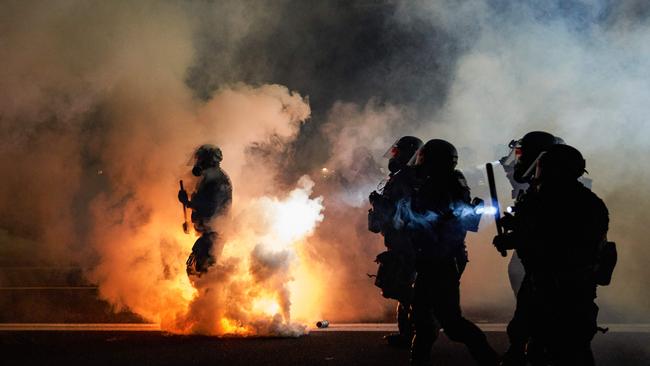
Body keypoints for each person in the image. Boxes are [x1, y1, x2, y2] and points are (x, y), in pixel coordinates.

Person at [494, 144, 610, 366]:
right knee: (573, 347)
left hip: (553, 284)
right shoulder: (589, 201)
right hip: (574, 285)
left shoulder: (550, 201)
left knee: (548, 344)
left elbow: (548, 239)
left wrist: (512, 237)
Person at [401, 139, 498, 366]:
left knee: (452, 323)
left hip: (441, 261)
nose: (420, 163)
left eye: (424, 158)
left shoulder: (442, 186)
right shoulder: (443, 183)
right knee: (422, 318)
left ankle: (490, 360)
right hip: (433, 259)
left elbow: (439, 221)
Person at [368, 136, 423, 346]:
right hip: (400, 240)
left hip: (405, 241)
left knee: (403, 288)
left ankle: (418, 331)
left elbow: (399, 211)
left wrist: (377, 202)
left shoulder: (406, 178)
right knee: (402, 288)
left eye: (397, 152)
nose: (394, 156)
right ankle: (407, 333)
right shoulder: (404, 176)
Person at [178, 144, 232, 276]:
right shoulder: (211, 178)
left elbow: (211, 207)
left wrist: (188, 202)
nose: (198, 163)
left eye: (200, 159)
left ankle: (210, 296)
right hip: (210, 235)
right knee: (196, 270)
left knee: (203, 274)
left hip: (214, 236)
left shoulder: (217, 180)